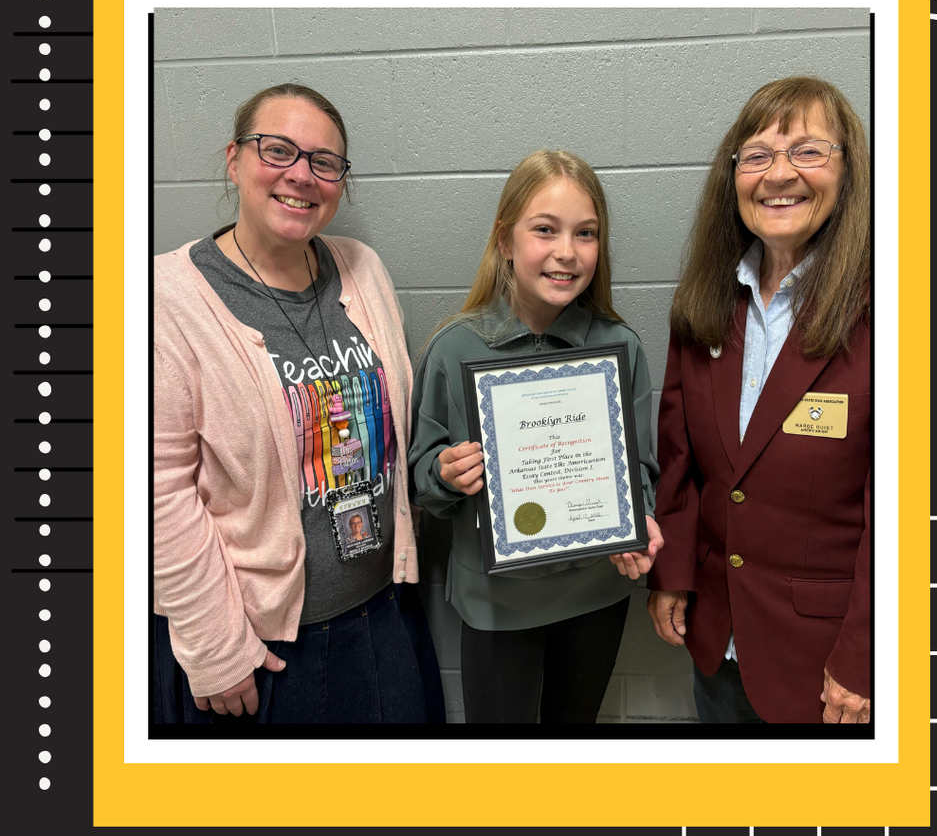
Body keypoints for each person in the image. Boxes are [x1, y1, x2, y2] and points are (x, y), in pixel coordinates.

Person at [153, 83, 444, 723]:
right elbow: (156, 490)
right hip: (259, 647)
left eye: (324, 162)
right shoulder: (165, 299)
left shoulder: (362, 268)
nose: (301, 176)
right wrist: (214, 648)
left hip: (383, 614)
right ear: (234, 160)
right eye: (277, 150)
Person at [408, 150, 663, 723]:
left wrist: (638, 517)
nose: (566, 252)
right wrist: (445, 474)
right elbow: (420, 479)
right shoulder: (454, 348)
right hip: (498, 602)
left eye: (586, 233)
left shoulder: (621, 346)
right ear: (505, 241)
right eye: (544, 230)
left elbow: (643, 466)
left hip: (597, 593)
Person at [646, 76, 871, 724]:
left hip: (830, 662)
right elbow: (681, 457)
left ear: (848, 171)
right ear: (733, 176)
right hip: (716, 641)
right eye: (758, 155)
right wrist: (675, 574)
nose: (779, 174)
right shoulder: (706, 303)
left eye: (808, 151)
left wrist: (865, 657)